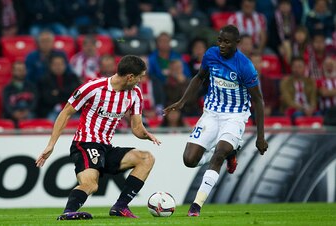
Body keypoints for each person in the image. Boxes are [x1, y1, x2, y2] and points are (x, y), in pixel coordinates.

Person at [35, 55, 160, 220]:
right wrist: (51, 144)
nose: (141, 81)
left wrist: (146, 135)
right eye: (139, 77)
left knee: (146, 158)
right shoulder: (93, 87)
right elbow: (66, 112)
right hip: (85, 144)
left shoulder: (135, 93)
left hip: (106, 148)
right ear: (130, 77)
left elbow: (136, 127)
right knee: (91, 184)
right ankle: (68, 213)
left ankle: (120, 207)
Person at [164, 25, 268, 217]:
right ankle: (229, 152)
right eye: (220, 40)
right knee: (189, 160)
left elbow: (258, 101)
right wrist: (182, 101)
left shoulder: (245, 66)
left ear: (236, 44)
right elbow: (199, 77)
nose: (221, 45)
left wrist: (260, 137)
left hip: (234, 116)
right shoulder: (211, 54)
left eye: (227, 42)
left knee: (218, 155)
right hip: (211, 113)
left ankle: (196, 206)